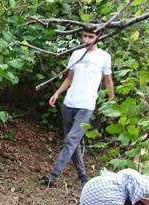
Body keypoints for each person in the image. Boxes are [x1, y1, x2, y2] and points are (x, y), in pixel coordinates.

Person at [41, 27, 115, 186]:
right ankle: (82, 175)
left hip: (87, 105)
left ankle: (53, 175)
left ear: (98, 37)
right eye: (85, 36)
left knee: (71, 140)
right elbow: (69, 77)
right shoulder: (76, 53)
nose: (86, 40)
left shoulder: (104, 57)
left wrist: (112, 104)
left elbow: (108, 81)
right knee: (71, 142)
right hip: (69, 102)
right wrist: (57, 93)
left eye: (91, 36)